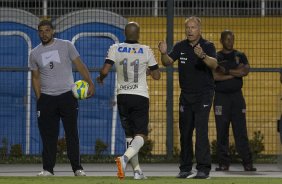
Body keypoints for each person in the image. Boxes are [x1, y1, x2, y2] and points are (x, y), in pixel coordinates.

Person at [29, 20, 95, 176]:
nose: (44, 34)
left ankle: (77, 168)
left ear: (53, 31)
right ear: (38, 33)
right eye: (41, 31)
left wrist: (90, 83)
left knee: (71, 133)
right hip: (47, 99)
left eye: (47, 30)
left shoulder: (66, 45)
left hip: (67, 96)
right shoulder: (34, 53)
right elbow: (35, 77)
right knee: (48, 136)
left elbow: (79, 65)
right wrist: (40, 99)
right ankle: (48, 169)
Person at [96, 21, 161, 180]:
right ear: (138, 34)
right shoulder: (146, 50)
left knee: (129, 135)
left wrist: (101, 78)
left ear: (125, 33)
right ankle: (124, 158)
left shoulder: (115, 47)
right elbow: (157, 76)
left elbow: (105, 70)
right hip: (139, 96)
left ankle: (137, 171)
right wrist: (147, 72)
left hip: (122, 95)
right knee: (141, 135)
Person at [158, 17, 218, 179]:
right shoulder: (180, 46)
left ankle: (203, 169)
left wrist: (203, 56)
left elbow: (214, 64)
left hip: (204, 95)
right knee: (185, 132)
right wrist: (163, 53)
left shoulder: (207, 46)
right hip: (186, 95)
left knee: (201, 131)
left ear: (199, 29)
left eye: (193, 27)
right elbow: (167, 62)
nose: (190, 30)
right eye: (188, 28)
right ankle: (185, 168)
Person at [213, 30, 256, 171]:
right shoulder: (216, 57)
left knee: (240, 130)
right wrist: (235, 73)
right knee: (222, 131)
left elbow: (244, 72)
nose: (230, 42)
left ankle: (247, 163)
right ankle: (223, 163)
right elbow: (215, 76)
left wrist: (226, 71)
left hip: (237, 97)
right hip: (221, 98)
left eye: (232, 39)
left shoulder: (240, 55)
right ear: (221, 40)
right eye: (227, 39)